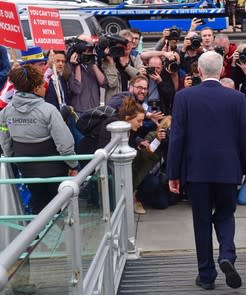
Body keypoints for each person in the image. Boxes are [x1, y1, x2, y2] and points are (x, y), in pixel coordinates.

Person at [167, 51, 246, 290]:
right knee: (226, 215)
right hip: (228, 169)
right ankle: (227, 254)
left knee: (202, 222)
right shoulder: (236, 99)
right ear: (222, 71)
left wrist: (173, 173)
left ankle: (206, 276)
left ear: (198, 71)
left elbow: (177, 138)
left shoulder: (184, 97)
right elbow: (245, 139)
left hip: (196, 171)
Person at [0, 64, 78, 214]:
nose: (45, 86)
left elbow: (5, 142)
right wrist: (73, 165)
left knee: (38, 201)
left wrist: (14, 160)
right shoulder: (49, 110)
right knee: (57, 207)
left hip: (26, 169)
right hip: (54, 170)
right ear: (35, 88)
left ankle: (36, 235)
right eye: (43, 84)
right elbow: (65, 145)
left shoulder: (5, 112)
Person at [97, 96, 147, 214]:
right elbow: (103, 148)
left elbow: (131, 141)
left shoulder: (129, 127)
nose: (141, 124)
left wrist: (138, 141)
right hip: (102, 164)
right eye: (139, 121)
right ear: (127, 118)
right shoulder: (111, 125)